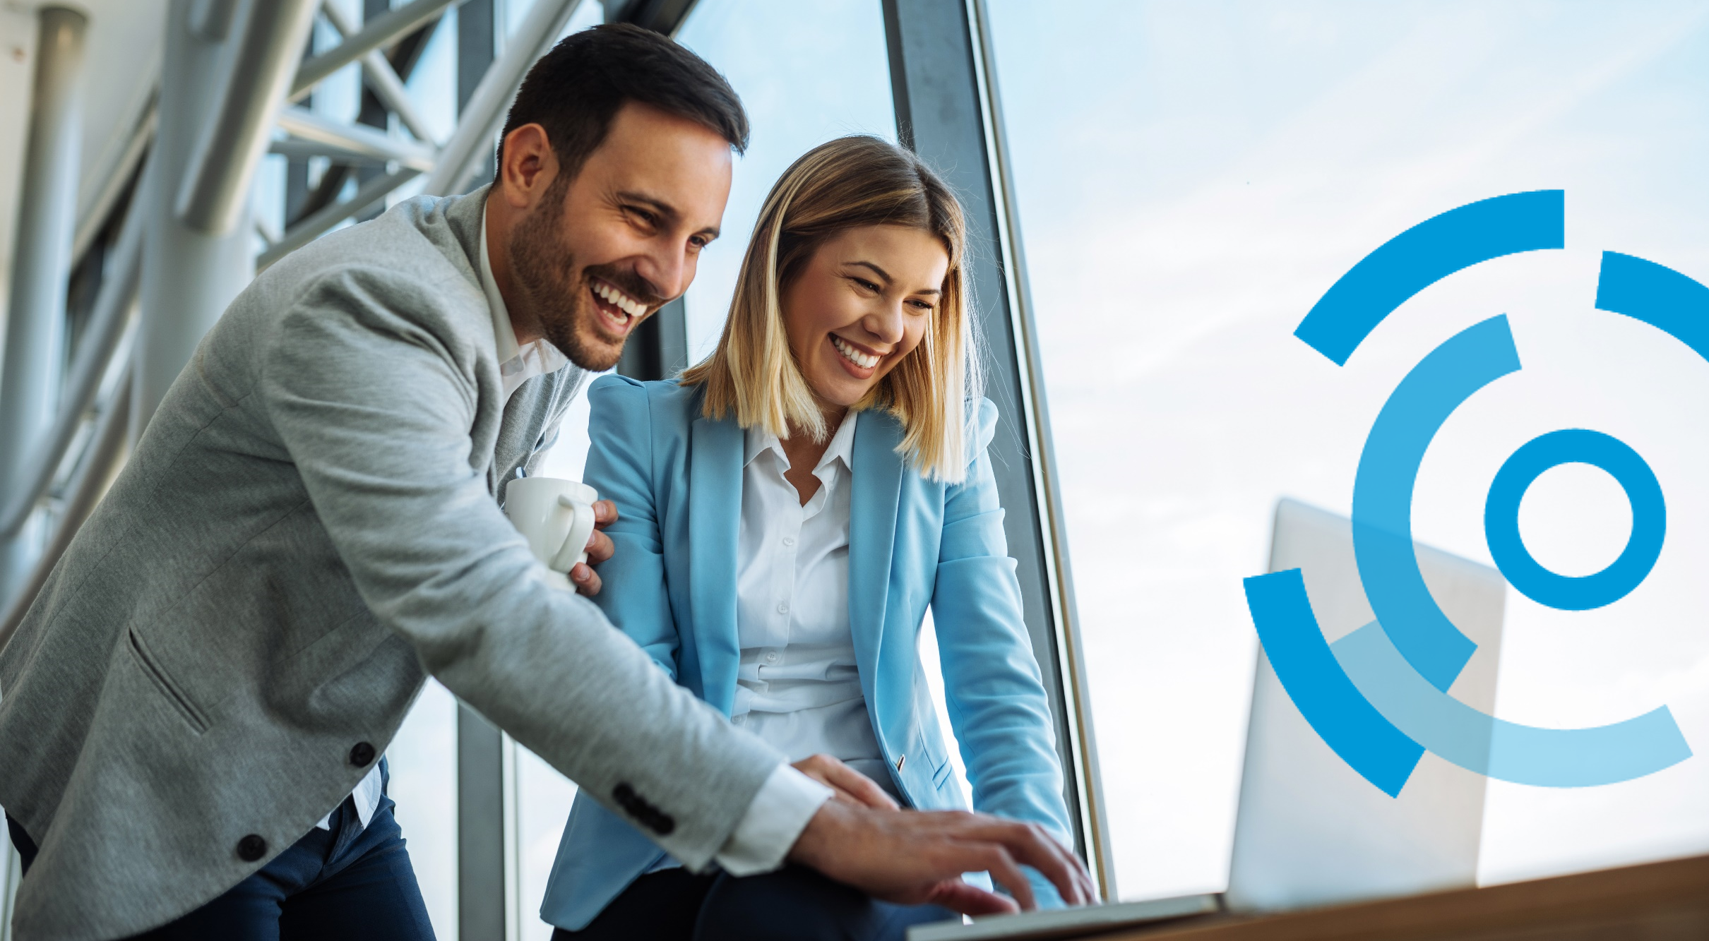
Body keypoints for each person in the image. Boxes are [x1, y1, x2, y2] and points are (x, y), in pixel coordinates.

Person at [0, 25, 1092, 941]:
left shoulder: (557, 335)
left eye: (697, 238)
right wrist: (807, 820)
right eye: (642, 217)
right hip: (162, 771)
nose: (667, 277)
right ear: (526, 164)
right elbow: (474, 606)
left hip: (331, 783)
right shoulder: (369, 309)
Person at [540, 136, 1077, 941]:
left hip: (877, 828)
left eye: (921, 302)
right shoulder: (643, 428)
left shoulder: (945, 449)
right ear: (782, 266)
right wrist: (761, 793)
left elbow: (995, 687)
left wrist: (1047, 897)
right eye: (866, 283)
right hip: (670, 826)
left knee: (767, 919)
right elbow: (634, 674)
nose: (890, 327)